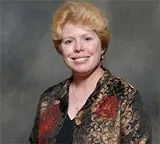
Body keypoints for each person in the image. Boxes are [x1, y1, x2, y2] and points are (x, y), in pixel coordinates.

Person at [29, 1, 151, 144]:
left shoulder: (126, 97)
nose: (78, 48)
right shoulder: (48, 99)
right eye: (69, 41)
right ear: (60, 49)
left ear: (103, 46)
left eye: (87, 39)